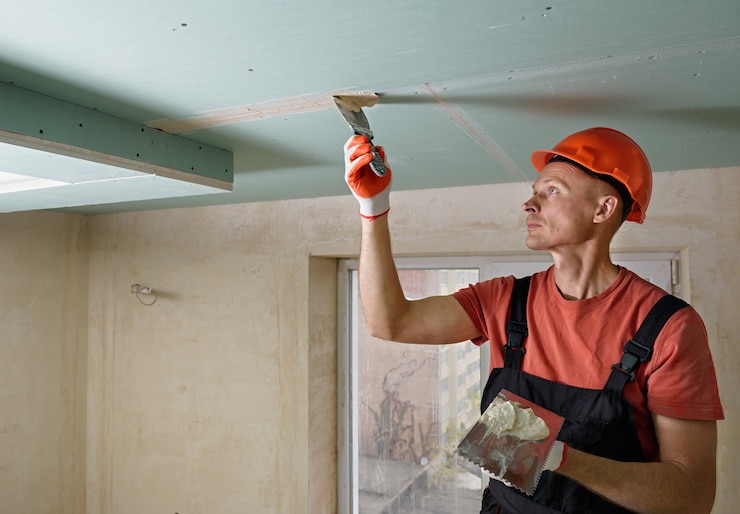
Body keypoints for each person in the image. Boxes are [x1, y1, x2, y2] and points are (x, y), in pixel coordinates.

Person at [343, 127, 724, 514]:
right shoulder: (506, 300)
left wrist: (559, 457)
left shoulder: (668, 328)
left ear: (603, 209)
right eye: (535, 191)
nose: (529, 203)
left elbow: (691, 496)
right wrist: (373, 208)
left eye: (551, 191)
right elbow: (390, 322)